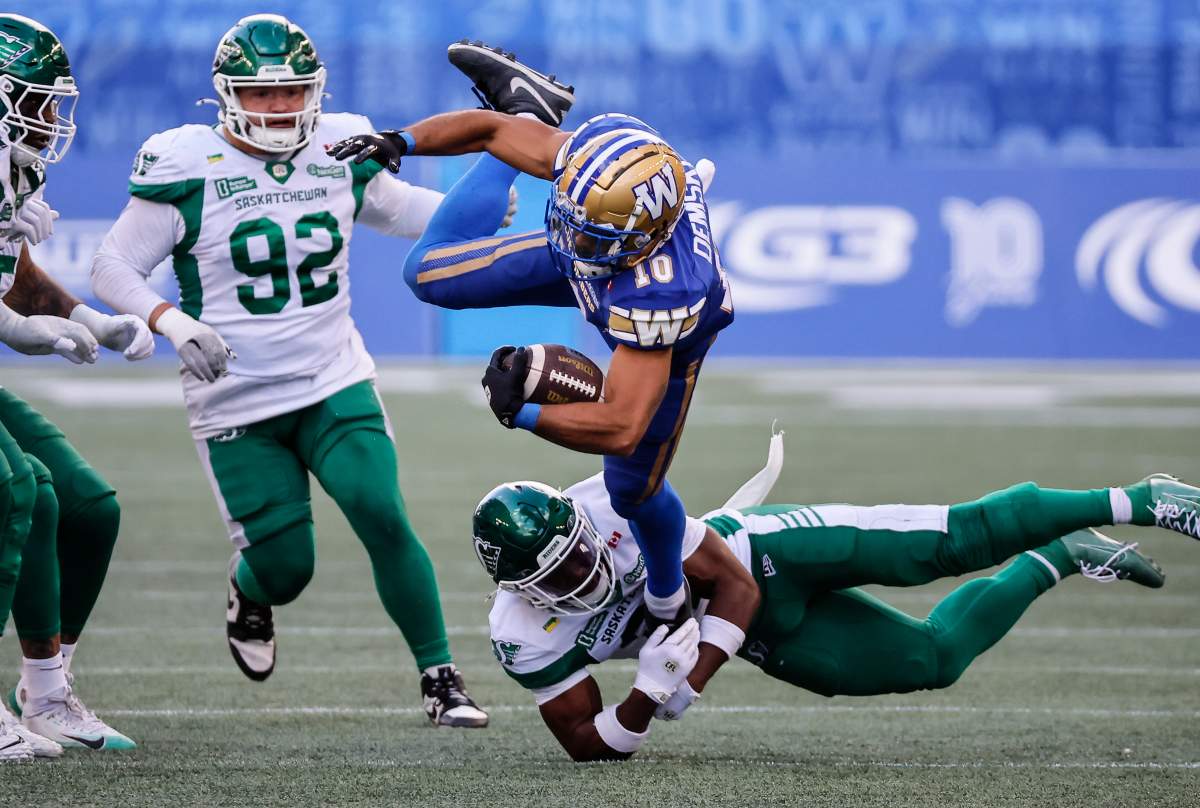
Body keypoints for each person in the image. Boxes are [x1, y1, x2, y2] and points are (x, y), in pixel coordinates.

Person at [91, 14, 497, 727]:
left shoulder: (340, 146)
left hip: (331, 378)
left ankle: (441, 677)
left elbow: (411, 213)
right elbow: (113, 266)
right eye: (260, 93)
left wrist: (493, 181)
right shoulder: (188, 163)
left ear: (316, 91)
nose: (279, 108)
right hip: (235, 400)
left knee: (380, 509)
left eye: (292, 92)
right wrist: (173, 322)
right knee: (288, 571)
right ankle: (250, 590)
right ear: (226, 95)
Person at [470, 434, 1199, 761]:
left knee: (952, 541)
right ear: (522, 590)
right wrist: (643, 699)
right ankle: (1061, 555)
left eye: (579, 556)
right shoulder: (522, 632)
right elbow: (584, 746)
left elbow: (735, 583)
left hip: (761, 556)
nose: (581, 577)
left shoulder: (613, 501)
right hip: (750, 633)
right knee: (933, 658)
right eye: (558, 579)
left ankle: (1142, 498)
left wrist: (686, 680)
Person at [329, 42, 734, 629]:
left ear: (639, 237)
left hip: (644, 313)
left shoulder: (660, 295)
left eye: (589, 233)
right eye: (571, 213)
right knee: (429, 271)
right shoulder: (605, 171)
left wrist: (524, 414)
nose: (572, 237)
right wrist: (401, 141)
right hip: (612, 268)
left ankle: (669, 595)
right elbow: (494, 131)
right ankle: (535, 106)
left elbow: (621, 428)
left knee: (633, 491)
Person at [0, 13, 155, 756]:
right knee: (14, 489)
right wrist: (14, 330)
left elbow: (10, 273)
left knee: (86, 505)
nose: (52, 119)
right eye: (37, 101)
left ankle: (46, 691)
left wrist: (83, 315)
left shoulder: (11, 165)